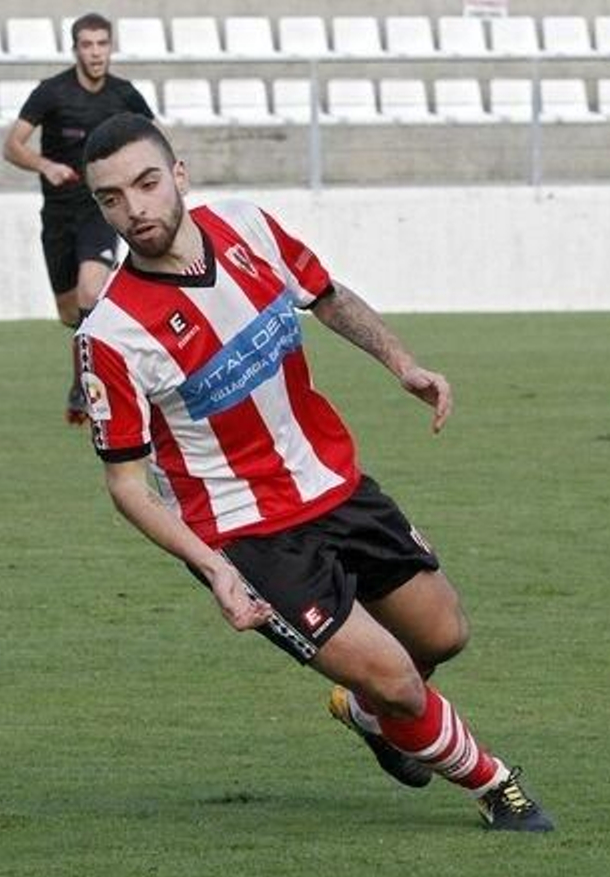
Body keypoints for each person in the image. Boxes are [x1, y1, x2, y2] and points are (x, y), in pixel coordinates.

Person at [74, 114, 553, 832]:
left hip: (333, 483)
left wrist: (402, 363)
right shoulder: (110, 335)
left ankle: (368, 714)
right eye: (112, 199)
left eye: (145, 183)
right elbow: (126, 488)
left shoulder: (246, 227)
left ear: (179, 175)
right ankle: (497, 787)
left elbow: (324, 293)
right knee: (396, 678)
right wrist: (214, 570)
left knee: (443, 634)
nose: (134, 209)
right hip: (248, 535)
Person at [2, 12, 155, 425]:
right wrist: (45, 165)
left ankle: (85, 386)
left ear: (111, 47)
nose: (95, 53)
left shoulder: (124, 95)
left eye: (102, 44)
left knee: (92, 293)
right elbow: (12, 145)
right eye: (87, 45)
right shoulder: (51, 93)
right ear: (76, 49)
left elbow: (153, 141)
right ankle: (88, 359)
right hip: (57, 215)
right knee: (71, 311)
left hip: (99, 210)